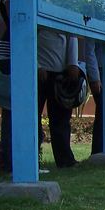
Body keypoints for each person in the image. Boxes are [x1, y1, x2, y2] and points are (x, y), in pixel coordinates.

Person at [0, 0, 45, 172]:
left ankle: (23, 161)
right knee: (12, 112)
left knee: (23, 111)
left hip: (19, 56)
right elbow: (17, 21)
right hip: (11, 58)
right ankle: (13, 163)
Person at [37, 29, 80, 167]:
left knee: (61, 120)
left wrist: (73, 64)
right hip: (39, 73)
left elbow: (72, 35)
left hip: (60, 74)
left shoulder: (65, 13)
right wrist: (37, 66)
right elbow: (27, 39)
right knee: (32, 119)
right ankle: (31, 160)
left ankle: (65, 160)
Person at [84, 38, 103, 154]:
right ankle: (97, 152)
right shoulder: (94, 21)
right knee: (102, 112)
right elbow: (89, 50)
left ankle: (104, 149)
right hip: (99, 72)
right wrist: (94, 77)